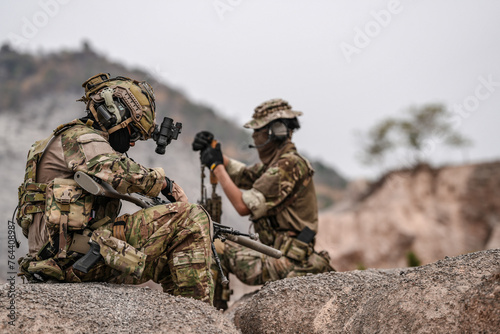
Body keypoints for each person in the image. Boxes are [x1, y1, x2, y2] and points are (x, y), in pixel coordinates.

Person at [17, 73, 213, 304]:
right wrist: (164, 183)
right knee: (191, 216)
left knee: (177, 256)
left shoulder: (78, 143)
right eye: (135, 132)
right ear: (114, 113)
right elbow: (121, 171)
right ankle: (197, 316)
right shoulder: (78, 138)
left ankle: (187, 319)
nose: (132, 142)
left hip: (76, 254)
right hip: (70, 258)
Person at [192, 98, 334, 309]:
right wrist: (216, 154)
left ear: (274, 132)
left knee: (214, 246)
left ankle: (209, 314)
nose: (254, 136)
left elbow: (242, 206)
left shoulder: (288, 165)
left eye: (257, 130)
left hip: (287, 262)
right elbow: (244, 175)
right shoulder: (281, 163)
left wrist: (216, 166)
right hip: (283, 254)